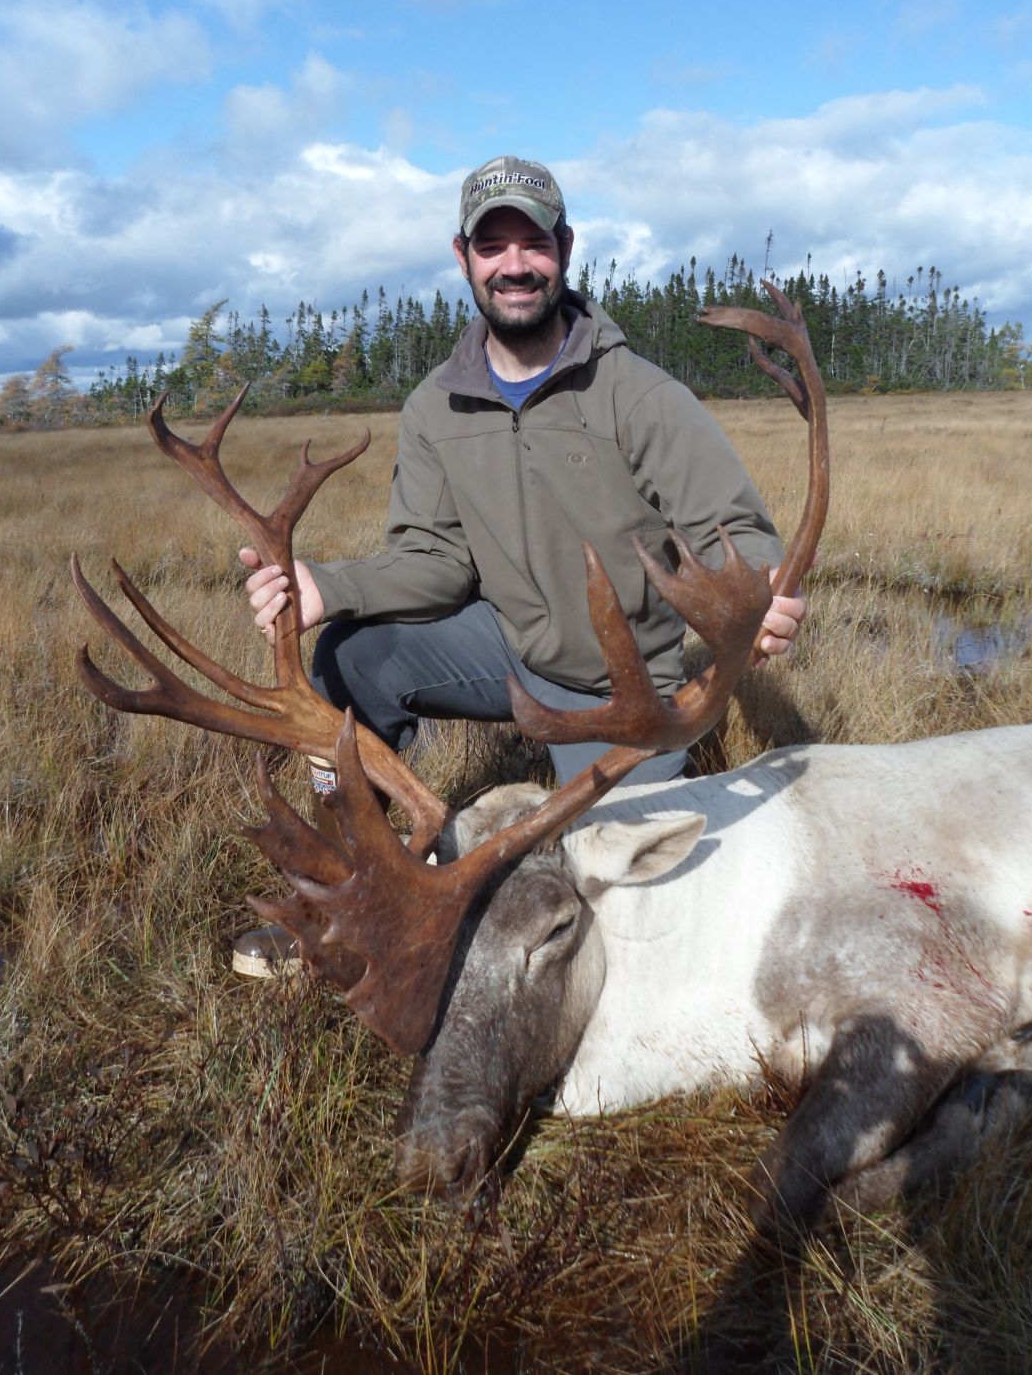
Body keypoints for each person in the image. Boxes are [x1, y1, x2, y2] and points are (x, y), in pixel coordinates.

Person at [233, 155, 806, 976]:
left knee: (622, 905)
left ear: (563, 248)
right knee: (353, 658)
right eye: (491, 244)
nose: (513, 265)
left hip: (627, 692)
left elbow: (739, 534)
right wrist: (332, 587)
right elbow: (432, 560)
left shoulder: (636, 394)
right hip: (509, 650)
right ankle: (350, 892)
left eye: (531, 242)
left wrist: (761, 598)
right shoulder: (436, 405)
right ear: (461, 256)